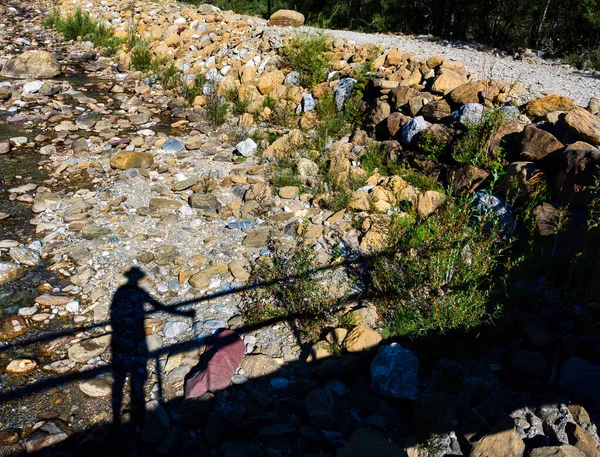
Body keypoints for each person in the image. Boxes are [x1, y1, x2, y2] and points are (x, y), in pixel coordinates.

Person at [110, 267, 194, 439]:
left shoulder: (120, 291)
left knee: (120, 377)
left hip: (121, 338)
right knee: (137, 377)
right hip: (137, 337)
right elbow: (159, 306)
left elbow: (113, 313)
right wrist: (183, 313)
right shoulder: (138, 292)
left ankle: (116, 417)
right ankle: (135, 417)